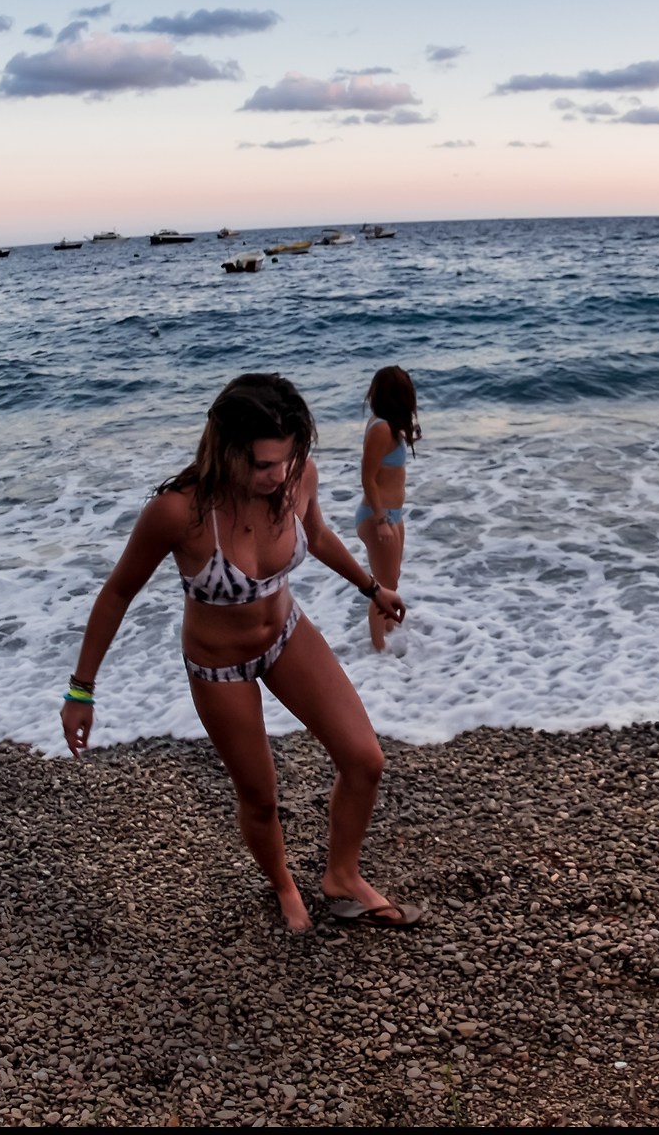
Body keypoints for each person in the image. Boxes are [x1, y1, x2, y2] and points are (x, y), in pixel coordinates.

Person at [60, 373, 421, 931]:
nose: (278, 476)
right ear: (225, 449)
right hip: (218, 666)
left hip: (286, 635)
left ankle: (341, 876)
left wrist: (373, 588)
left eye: (287, 459)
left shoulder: (297, 477)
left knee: (364, 760)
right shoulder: (178, 512)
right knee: (259, 797)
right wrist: (81, 691)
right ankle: (283, 885)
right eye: (262, 465)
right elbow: (117, 594)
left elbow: (318, 535)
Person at [356, 366, 420, 652]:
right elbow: (367, 477)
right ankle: (378, 649)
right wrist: (381, 520)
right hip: (377, 516)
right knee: (382, 586)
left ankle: (390, 629)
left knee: (392, 580)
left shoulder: (388, 424)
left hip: (392, 515)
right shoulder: (381, 428)